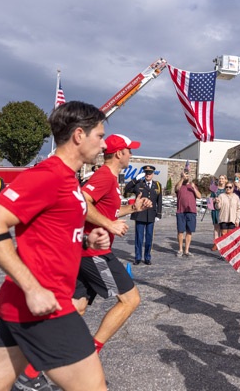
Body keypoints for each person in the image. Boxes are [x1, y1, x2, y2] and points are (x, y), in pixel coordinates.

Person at [0, 101, 111, 391]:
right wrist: (33, 289)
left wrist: (86, 239)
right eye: (100, 135)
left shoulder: (69, 178)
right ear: (79, 135)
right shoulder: (48, 175)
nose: (104, 144)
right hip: (45, 306)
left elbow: (50, 233)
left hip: (22, 303)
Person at [73, 134, 151, 355]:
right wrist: (109, 224)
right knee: (130, 299)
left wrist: (134, 208)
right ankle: (90, 353)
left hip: (87, 252)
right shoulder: (105, 176)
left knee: (77, 305)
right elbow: (82, 202)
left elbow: (110, 211)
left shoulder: (112, 179)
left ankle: (36, 356)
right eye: (129, 150)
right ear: (119, 154)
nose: (131, 154)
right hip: (94, 253)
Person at [123, 165, 163, 265]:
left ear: (153, 174)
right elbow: (127, 189)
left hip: (151, 215)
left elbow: (159, 201)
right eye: (146, 173)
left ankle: (147, 257)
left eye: (150, 173)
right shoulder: (138, 184)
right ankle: (137, 257)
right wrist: (135, 179)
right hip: (140, 214)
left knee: (149, 238)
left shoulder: (157, 185)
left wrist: (158, 214)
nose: (148, 175)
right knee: (139, 238)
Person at [175, 171, 201, 257]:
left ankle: (186, 250)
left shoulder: (193, 186)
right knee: (180, 231)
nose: (186, 177)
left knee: (189, 231)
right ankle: (180, 250)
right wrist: (182, 179)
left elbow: (199, 196)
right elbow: (176, 189)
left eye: (187, 175)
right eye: (185, 175)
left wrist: (194, 188)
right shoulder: (179, 185)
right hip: (181, 211)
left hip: (191, 211)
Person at [209, 175, 227, 250]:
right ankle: (215, 243)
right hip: (215, 211)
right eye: (220, 179)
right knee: (216, 228)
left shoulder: (227, 189)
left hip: (224, 211)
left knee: (223, 228)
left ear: (225, 180)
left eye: (222, 179)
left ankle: (222, 244)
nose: (221, 180)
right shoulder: (215, 189)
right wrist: (214, 200)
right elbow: (209, 201)